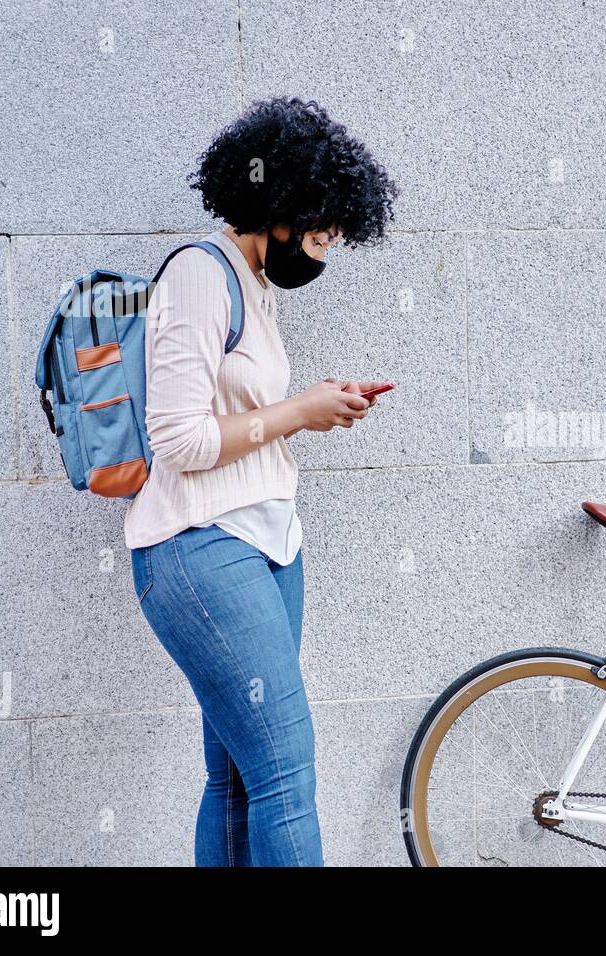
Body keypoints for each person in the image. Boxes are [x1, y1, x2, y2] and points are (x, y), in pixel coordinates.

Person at [124, 97, 397, 866]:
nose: (318, 255)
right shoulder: (199, 277)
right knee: (286, 774)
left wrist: (319, 405)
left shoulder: (255, 286)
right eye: (316, 237)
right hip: (202, 547)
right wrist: (297, 413)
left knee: (241, 778)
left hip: (271, 542)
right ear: (277, 212)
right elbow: (177, 441)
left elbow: (244, 410)